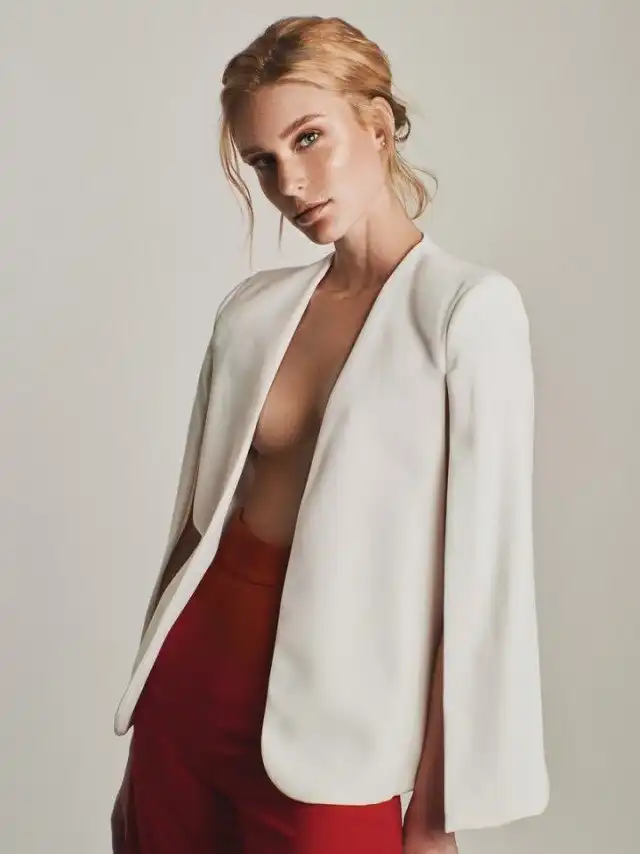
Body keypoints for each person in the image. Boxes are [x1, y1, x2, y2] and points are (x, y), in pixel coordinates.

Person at [111, 15, 549, 854]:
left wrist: (434, 815)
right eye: (263, 161)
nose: (290, 181)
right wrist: (147, 715)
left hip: (337, 740)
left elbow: (483, 582)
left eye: (309, 138)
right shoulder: (252, 311)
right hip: (187, 700)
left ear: (376, 126)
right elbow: (198, 526)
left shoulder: (466, 312)